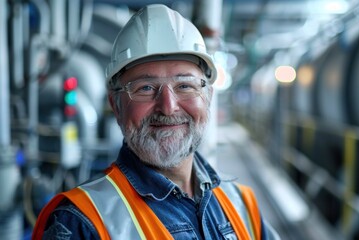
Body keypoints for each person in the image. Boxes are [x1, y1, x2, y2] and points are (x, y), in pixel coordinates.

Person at [32, 4, 279, 240]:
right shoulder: (81, 222)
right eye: (145, 88)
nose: (168, 107)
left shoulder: (242, 204)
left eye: (184, 86)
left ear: (208, 97)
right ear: (116, 105)